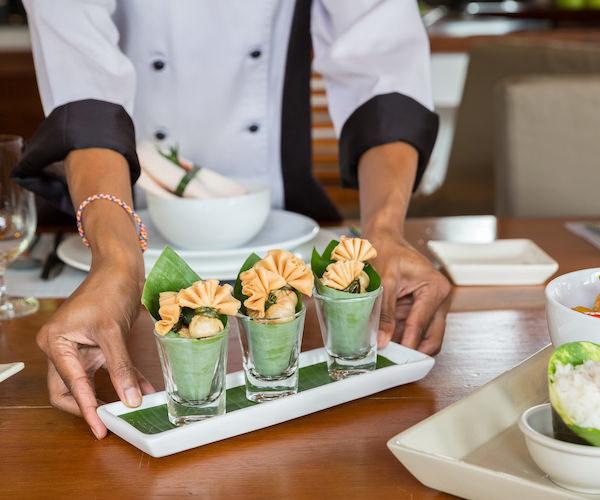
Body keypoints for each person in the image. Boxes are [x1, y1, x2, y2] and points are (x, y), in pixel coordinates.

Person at [15, 0, 451, 439]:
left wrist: (384, 231)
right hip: (122, 214)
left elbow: (380, 67)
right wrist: (116, 261)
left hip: (281, 232)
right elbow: (85, 96)